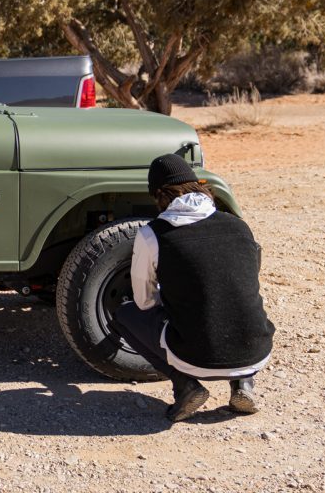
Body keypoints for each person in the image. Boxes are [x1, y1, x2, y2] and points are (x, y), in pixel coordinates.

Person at [111, 154, 275, 422]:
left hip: (195, 356)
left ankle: (186, 387)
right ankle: (244, 385)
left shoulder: (153, 234)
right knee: (233, 302)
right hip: (256, 349)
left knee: (126, 315)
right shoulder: (237, 225)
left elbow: (144, 302)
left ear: (161, 195)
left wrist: (172, 296)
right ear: (198, 185)